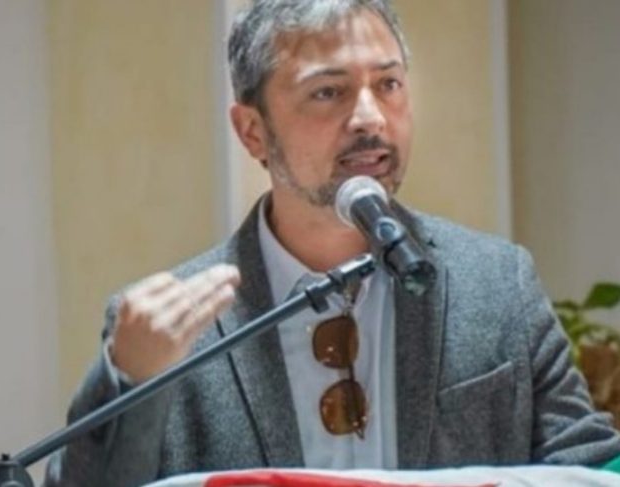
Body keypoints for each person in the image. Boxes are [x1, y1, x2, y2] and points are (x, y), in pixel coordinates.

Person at [44, 1, 620, 486]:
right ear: (253, 131)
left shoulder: (496, 283)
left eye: (388, 84)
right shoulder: (174, 327)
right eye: (328, 92)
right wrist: (129, 378)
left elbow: (586, 468)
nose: (370, 118)